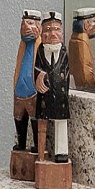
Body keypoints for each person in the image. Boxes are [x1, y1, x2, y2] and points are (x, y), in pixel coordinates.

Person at [35, 12, 72, 163]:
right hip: (44, 94)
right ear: (42, 33)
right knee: (43, 120)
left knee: (61, 122)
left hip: (60, 95)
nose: (53, 34)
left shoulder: (64, 52)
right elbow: (36, 68)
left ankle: (61, 151)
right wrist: (38, 76)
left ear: (62, 33)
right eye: (48, 30)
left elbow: (67, 71)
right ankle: (41, 151)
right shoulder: (40, 51)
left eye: (56, 29)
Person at [11, 9, 42, 153]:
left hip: (32, 91)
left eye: (30, 24)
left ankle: (37, 145)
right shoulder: (22, 45)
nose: (25, 28)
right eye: (23, 24)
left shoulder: (40, 46)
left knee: (34, 118)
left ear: (38, 27)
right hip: (19, 91)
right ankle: (21, 144)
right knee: (19, 118)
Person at [69, 7, 95, 92]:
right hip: (88, 89)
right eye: (94, 21)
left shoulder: (75, 39)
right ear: (85, 25)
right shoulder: (82, 42)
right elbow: (87, 72)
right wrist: (94, 88)